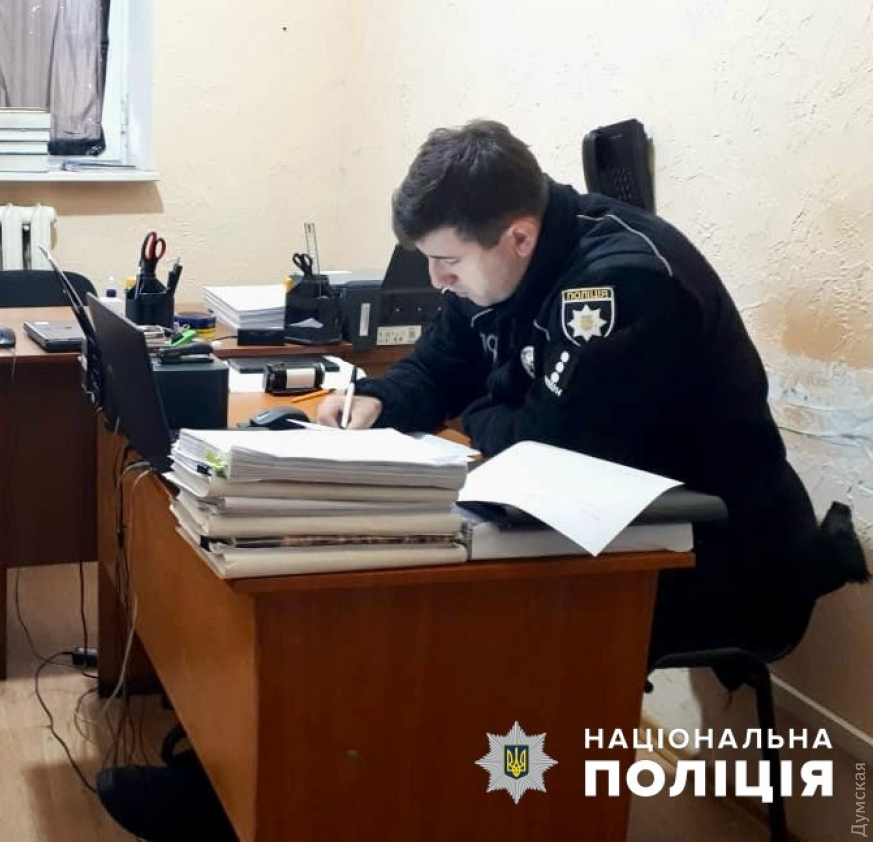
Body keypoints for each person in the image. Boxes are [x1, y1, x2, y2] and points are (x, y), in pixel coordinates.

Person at [317, 119, 860, 658]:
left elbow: (550, 450)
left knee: (455, 624)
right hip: (618, 533)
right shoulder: (495, 265)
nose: (437, 280)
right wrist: (380, 399)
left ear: (520, 238)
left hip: (717, 558)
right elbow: (440, 367)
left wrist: (478, 410)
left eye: (448, 261)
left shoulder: (624, 282)